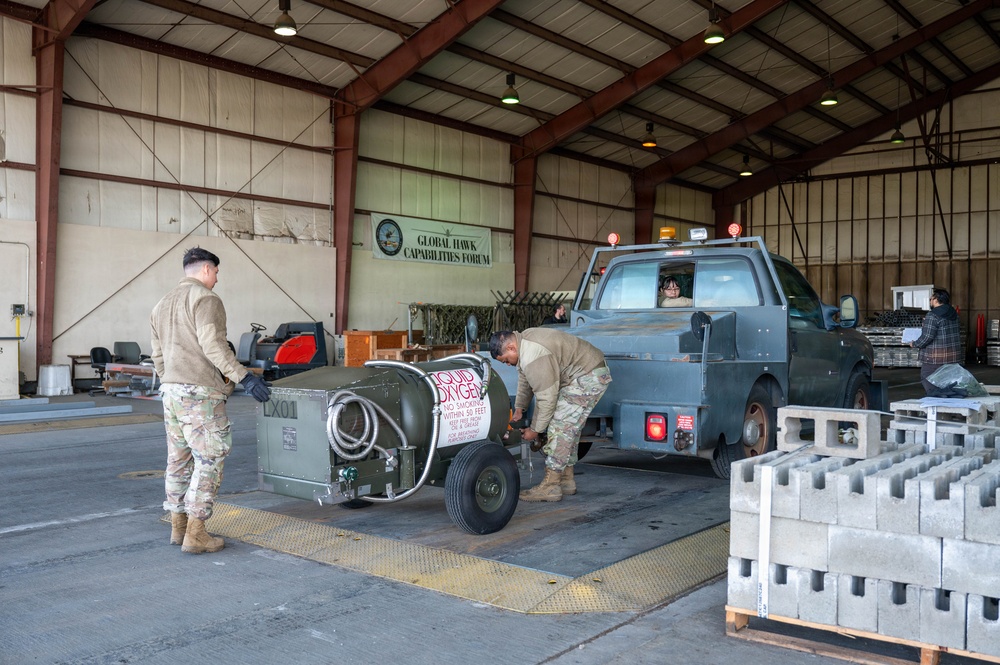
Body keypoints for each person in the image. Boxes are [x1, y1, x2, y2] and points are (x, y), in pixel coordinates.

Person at [150, 247, 272, 554]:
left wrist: (171, 379)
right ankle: (196, 532)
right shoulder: (206, 299)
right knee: (209, 459)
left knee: (177, 460)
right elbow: (214, 346)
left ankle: (178, 527)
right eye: (216, 272)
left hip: (170, 392)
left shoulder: (160, 305)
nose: (217, 278)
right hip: (200, 394)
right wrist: (245, 377)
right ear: (206, 269)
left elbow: (158, 356)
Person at [489, 328, 611, 502]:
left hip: (587, 375)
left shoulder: (533, 355)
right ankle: (566, 480)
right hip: (588, 371)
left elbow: (546, 399)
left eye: (506, 360)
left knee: (560, 427)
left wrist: (535, 430)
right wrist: (519, 408)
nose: (508, 364)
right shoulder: (524, 341)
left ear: (510, 348)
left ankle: (551, 486)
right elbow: (525, 378)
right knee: (569, 429)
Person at [910, 287, 962, 394]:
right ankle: (949, 403)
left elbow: (927, 337)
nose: (930, 301)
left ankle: (936, 403)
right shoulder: (953, 313)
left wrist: (914, 343)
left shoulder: (933, 315)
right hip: (953, 357)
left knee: (928, 380)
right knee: (948, 383)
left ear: (936, 299)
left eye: (931, 299)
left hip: (934, 358)